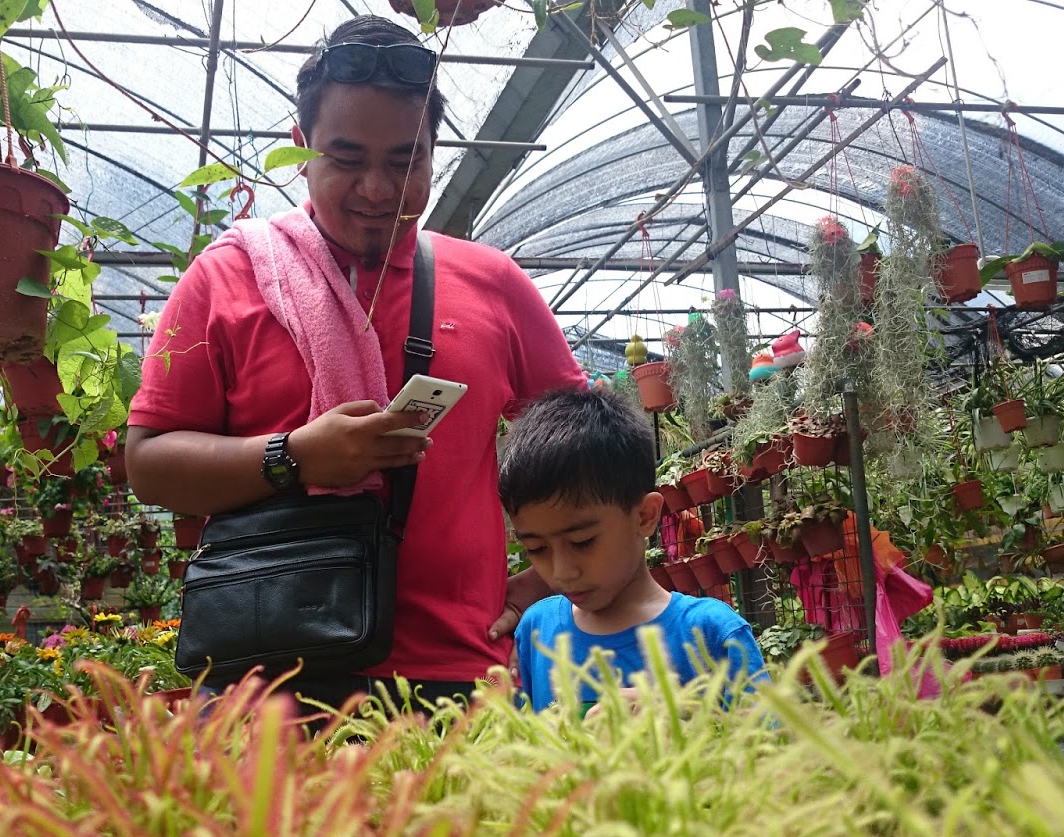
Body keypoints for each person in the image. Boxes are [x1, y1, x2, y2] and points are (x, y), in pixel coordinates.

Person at [125, 15, 585, 711]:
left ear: (435, 153)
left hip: (459, 673)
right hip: (267, 676)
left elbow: (582, 444)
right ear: (301, 148)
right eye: (346, 159)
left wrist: (552, 574)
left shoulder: (493, 283)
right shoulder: (226, 279)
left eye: (406, 162)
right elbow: (149, 464)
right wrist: (293, 457)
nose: (377, 189)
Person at [500, 390, 767, 716]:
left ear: (645, 516)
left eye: (582, 541)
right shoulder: (536, 630)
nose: (562, 572)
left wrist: (681, 715)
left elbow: (776, 752)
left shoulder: (710, 632)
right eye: (536, 549)